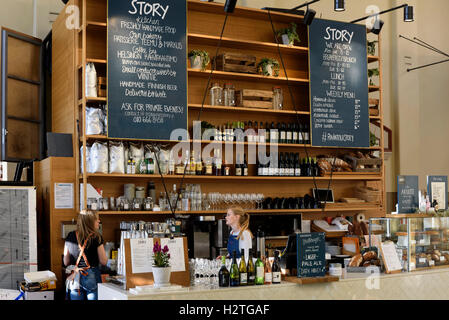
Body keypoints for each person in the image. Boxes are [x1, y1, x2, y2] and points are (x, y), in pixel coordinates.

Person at [63, 210, 108, 300]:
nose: (99, 221)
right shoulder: (96, 237)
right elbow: (103, 261)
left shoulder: (71, 236)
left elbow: (66, 261)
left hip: (75, 278)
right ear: (90, 222)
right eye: (96, 219)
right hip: (92, 277)